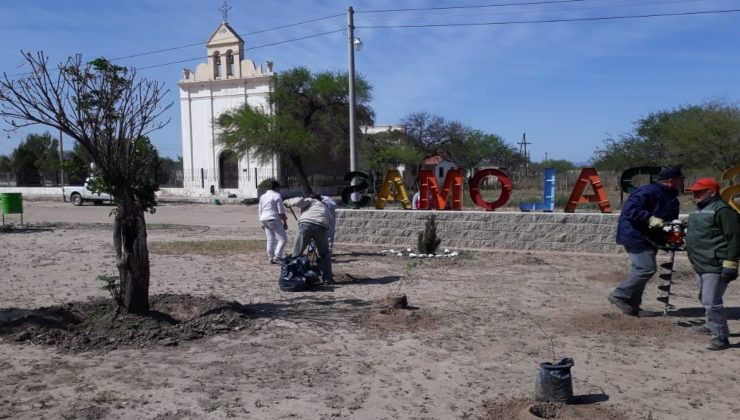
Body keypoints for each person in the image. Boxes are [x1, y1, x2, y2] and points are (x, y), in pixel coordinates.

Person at [608, 167, 684, 317]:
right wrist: (649, 218)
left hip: (650, 237)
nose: (683, 181)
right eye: (680, 178)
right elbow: (630, 210)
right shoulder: (648, 191)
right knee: (645, 269)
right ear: (670, 180)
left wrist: (672, 236)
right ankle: (620, 295)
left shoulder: (672, 197)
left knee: (640, 270)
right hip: (635, 235)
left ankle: (633, 306)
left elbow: (668, 221)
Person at [684, 178, 739, 351]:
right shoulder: (700, 210)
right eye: (694, 192)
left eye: (699, 191)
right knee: (705, 297)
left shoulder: (723, 211)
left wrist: (730, 264)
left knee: (711, 301)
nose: (695, 194)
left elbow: (735, 238)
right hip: (700, 262)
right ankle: (710, 325)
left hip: (716, 264)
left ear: (712, 193)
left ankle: (720, 337)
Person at [284, 194, 334, 284]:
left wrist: (286, 202)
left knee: (297, 253)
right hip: (322, 227)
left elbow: (299, 200)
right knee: (325, 254)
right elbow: (330, 222)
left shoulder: (312, 201)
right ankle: (327, 278)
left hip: (306, 225)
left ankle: (294, 276)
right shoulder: (326, 208)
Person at [258, 181, 288, 264]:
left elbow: (260, 209)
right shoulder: (277, 195)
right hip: (273, 218)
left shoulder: (263, 196)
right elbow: (281, 211)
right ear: (276, 187)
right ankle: (278, 257)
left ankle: (271, 257)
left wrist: (261, 221)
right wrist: (285, 222)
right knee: (283, 239)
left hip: (264, 218)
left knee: (270, 239)